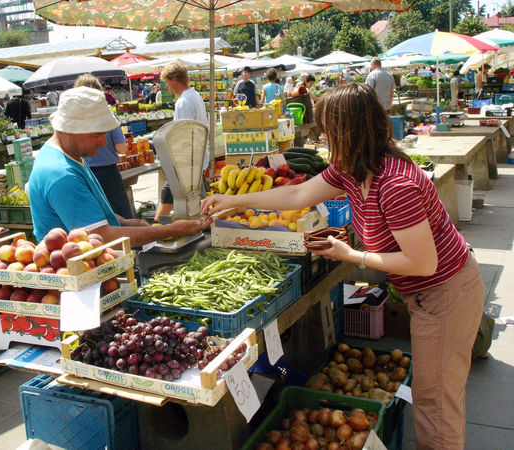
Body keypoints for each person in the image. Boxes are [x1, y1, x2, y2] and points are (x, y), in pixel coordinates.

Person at [202, 83, 484, 450]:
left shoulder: (395, 183)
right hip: (427, 296)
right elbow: (298, 194)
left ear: (347, 131)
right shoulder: (352, 169)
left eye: (326, 129)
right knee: (433, 399)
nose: (321, 136)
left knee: (435, 407)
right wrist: (236, 200)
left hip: (447, 293)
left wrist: (352, 256)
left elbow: (423, 261)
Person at [28, 86, 211, 243]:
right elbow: (101, 238)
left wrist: (122, 221)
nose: (103, 142)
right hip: (79, 275)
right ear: (70, 130)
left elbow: (82, 216)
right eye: (97, 134)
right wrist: (173, 230)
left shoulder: (65, 155)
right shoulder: (61, 175)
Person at [73, 74, 133, 219]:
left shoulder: (74, 118)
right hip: (108, 175)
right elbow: (121, 148)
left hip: (82, 173)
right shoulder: (107, 115)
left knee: (94, 219)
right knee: (120, 218)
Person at [155, 62, 208, 222]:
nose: (166, 86)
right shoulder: (195, 96)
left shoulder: (183, 102)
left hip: (186, 162)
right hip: (197, 159)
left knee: (168, 193)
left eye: (166, 81)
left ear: (175, 79)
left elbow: (183, 134)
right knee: (196, 197)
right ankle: (202, 224)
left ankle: (159, 227)